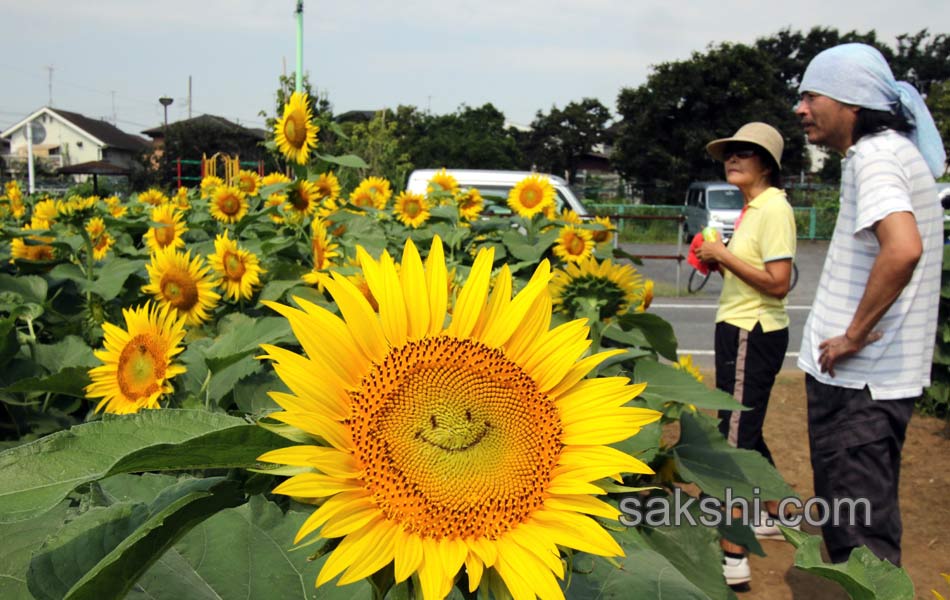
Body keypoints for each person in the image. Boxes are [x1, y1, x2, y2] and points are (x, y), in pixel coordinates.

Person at [795, 43, 946, 566]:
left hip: (861, 386)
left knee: (862, 545)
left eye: (811, 95)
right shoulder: (892, 152)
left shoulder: (876, 157)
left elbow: (902, 248)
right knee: (859, 523)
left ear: (850, 101)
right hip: (870, 385)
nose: (801, 109)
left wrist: (854, 335)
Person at [695, 122, 797, 586]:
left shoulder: (774, 209)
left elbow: (777, 283)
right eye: (728, 153)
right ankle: (777, 511)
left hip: (751, 332)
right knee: (746, 427)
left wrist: (723, 254)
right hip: (742, 327)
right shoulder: (754, 210)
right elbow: (746, 279)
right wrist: (716, 259)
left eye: (745, 153)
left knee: (732, 440)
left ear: (767, 164)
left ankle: (733, 555)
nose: (732, 159)